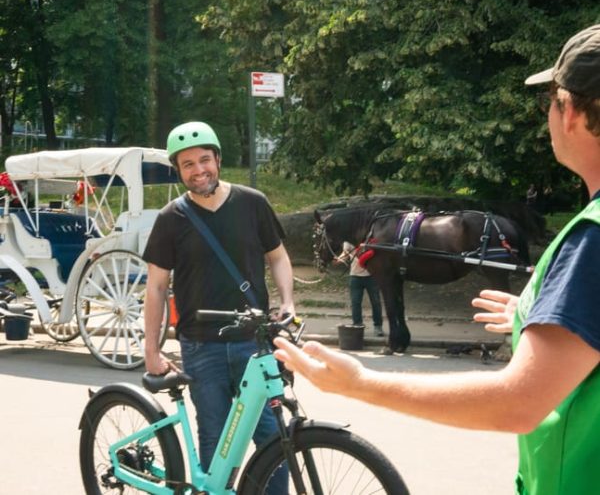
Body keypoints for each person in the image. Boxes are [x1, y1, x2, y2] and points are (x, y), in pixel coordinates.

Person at [274, 25, 600, 495]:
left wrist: (362, 384)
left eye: (549, 101)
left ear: (568, 111)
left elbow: (519, 403)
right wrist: (543, 316)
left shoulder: (591, 239)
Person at [143, 121, 294, 490]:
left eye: (204, 160)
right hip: (200, 346)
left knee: (273, 439)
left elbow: (277, 257)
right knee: (215, 441)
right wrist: (151, 349)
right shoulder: (170, 219)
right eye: (188, 165)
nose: (199, 170)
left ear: (218, 160)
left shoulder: (252, 203)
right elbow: (156, 287)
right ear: (178, 172)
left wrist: (288, 301)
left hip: (253, 343)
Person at [336, 241, 384, 336]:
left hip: (371, 275)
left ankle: (378, 327)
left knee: (376, 302)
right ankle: (357, 326)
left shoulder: (369, 238)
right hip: (355, 276)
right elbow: (345, 253)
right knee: (355, 302)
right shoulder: (349, 241)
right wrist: (339, 259)